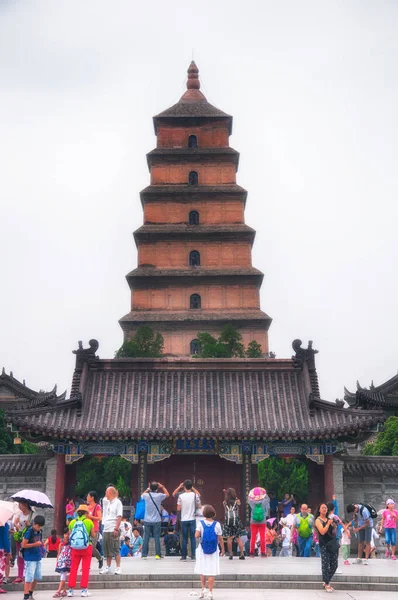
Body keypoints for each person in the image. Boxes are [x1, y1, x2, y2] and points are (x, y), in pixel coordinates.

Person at [194, 505, 225, 600]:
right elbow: (220, 538)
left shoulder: (200, 523)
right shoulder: (217, 524)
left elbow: (196, 535)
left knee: (202, 569)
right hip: (213, 550)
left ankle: (203, 589)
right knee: (211, 571)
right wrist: (223, 549)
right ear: (213, 513)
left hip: (202, 549)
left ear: (204, 514)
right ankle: (210, 592)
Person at [67, 504, 95, 597]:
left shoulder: (72, 522)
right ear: (86, 513)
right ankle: (84, 590)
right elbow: (93, 535)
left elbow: (70, 535)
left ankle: (70, 590)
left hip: (75, 548)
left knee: (73, 568)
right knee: (85, 568)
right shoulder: (89, 522)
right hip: (87, 547)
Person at [173, 480, 201, 562]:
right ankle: (193, 556)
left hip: (184, 519)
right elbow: (199, 506)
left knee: (184, 538)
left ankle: (184, 556)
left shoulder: (181, 496)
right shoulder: (195, 495)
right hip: (192, 519)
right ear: (191, 486)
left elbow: (178, 508)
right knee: (193, 538)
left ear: (184, 486)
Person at [141, 481, 169, 559]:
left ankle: (144, 555)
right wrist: (162, 487)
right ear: (157, 488)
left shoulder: (146, 495)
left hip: (147, 520)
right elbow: (167, 495)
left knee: (146, 537)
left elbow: (141, 496)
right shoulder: (159, 496)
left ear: (150, 488)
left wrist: (148, 489)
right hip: (156, 520)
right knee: (157, 537)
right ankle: (157, 555)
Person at [315, 503, 339, 593]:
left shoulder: (329, 519)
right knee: (325, 564)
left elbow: (333, 533)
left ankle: (326, 581)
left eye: (325, 508)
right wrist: (328, 524)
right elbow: (322, 531)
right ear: (319, 510)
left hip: (332, 543)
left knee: (334, 564)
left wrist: (334, 526)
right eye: (323, 508)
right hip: (324, 544)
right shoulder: (318, 520)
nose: (324, 509)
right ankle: (327, 583)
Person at [100, 485, 123, 574]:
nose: (105, 494)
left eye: (106, 492)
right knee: (107, 550)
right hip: (106, 528)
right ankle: (108, 567)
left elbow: (119, 516)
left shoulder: (118, 502)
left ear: (110, 493)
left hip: (113, 528)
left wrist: (116, 528)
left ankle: (118, 567)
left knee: (115, 549)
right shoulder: (108, 502)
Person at [21, 514, 46, 600]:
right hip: (30, 557)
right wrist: (35, 544)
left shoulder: (39, 532)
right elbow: (23, 545)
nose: (39, 528)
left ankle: (30, 592)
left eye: (40, 526)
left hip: (37, 556)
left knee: (37, 577)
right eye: (38, 526)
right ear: (34, 524)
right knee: (29, 577)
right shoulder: (29, 532)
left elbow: (39, 542)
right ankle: (26, 595)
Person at [12, 501, 34, 584]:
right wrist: (16, 525)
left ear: (25, 504)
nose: (19, 507)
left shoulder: (32, 514)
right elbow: (15, 522)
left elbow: (36, 526)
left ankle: (28, 575)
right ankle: (20, 576)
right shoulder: (19, 514)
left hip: (29, 538)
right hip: (20, 537)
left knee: (28, 557)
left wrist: (30, 525)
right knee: (20, 557)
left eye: (20, 505)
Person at [221, 488, 245, 560]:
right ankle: (242, 553)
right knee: (238, 538)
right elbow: (239, 504)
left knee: (229, 538)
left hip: (228, 521)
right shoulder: (237, 501)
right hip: (236, 521)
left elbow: (225, 511)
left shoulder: (224, 502)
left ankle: (230, 554)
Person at [248, 488, 269, 557]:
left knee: (253, 537)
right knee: (262, 537)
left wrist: (251, 494)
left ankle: (252, 552)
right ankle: (263, 552)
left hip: (253, 521)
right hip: (262, 521)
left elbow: (248, 498)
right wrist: (264, 493)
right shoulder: (263, 502)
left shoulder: (252, 502)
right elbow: (268, 498)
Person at [86, 491, 103, 569]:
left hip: (95, 529)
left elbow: (99, 518)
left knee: (91, 547)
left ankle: (100, 558)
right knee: (86, 547)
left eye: (88, 496)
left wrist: (90, 517)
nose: (87, 497)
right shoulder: (86, 507)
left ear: (92, 497)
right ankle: (86, 566)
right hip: (87, 529)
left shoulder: (97, 506)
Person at [54, 527, 72, 598]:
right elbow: (59, 553)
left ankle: (58, 591)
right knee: (62, 575)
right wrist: (57, 560)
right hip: (62, 561)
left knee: (63, 576)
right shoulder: (61, 543)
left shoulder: (71, 543)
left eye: (68, 534)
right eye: (65, 534)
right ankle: (64, 590)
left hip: (67, 561)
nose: (67, 535)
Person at [0, 521, 11, 594]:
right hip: (1, 548)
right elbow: (5, 539)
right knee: (0, 568)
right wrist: (8, 551)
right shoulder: (4, 524)